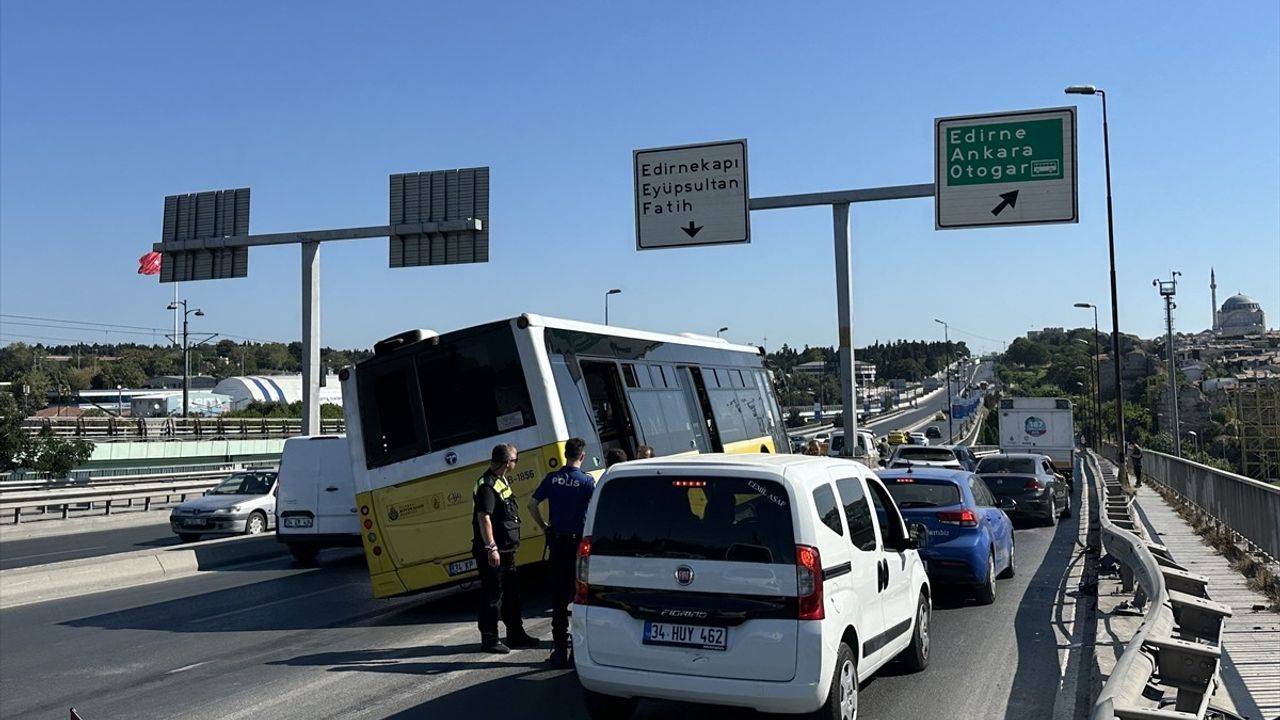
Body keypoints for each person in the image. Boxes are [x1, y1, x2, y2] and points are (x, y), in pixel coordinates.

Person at [527, 437, 595, 667]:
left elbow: (531, 504)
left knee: (558, 597)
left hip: (556, 542)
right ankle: (579, 650)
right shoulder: (587, 482)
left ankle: (559, 652)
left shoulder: (552, 478)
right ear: (582, 456)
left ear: (566, 454)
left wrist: (544, 526)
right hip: (578, 544)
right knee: (580, 596)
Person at [472, 443, 540, 654]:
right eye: (515, 460)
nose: (516, 464)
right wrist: (491, 546)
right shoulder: (487, 486)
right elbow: (484, 517)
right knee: (493, 596)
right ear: (506, 462)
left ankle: (516, 634)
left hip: (507, 550)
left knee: (512, 593)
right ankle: (490, 639)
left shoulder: (500, 480)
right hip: (494, 552)